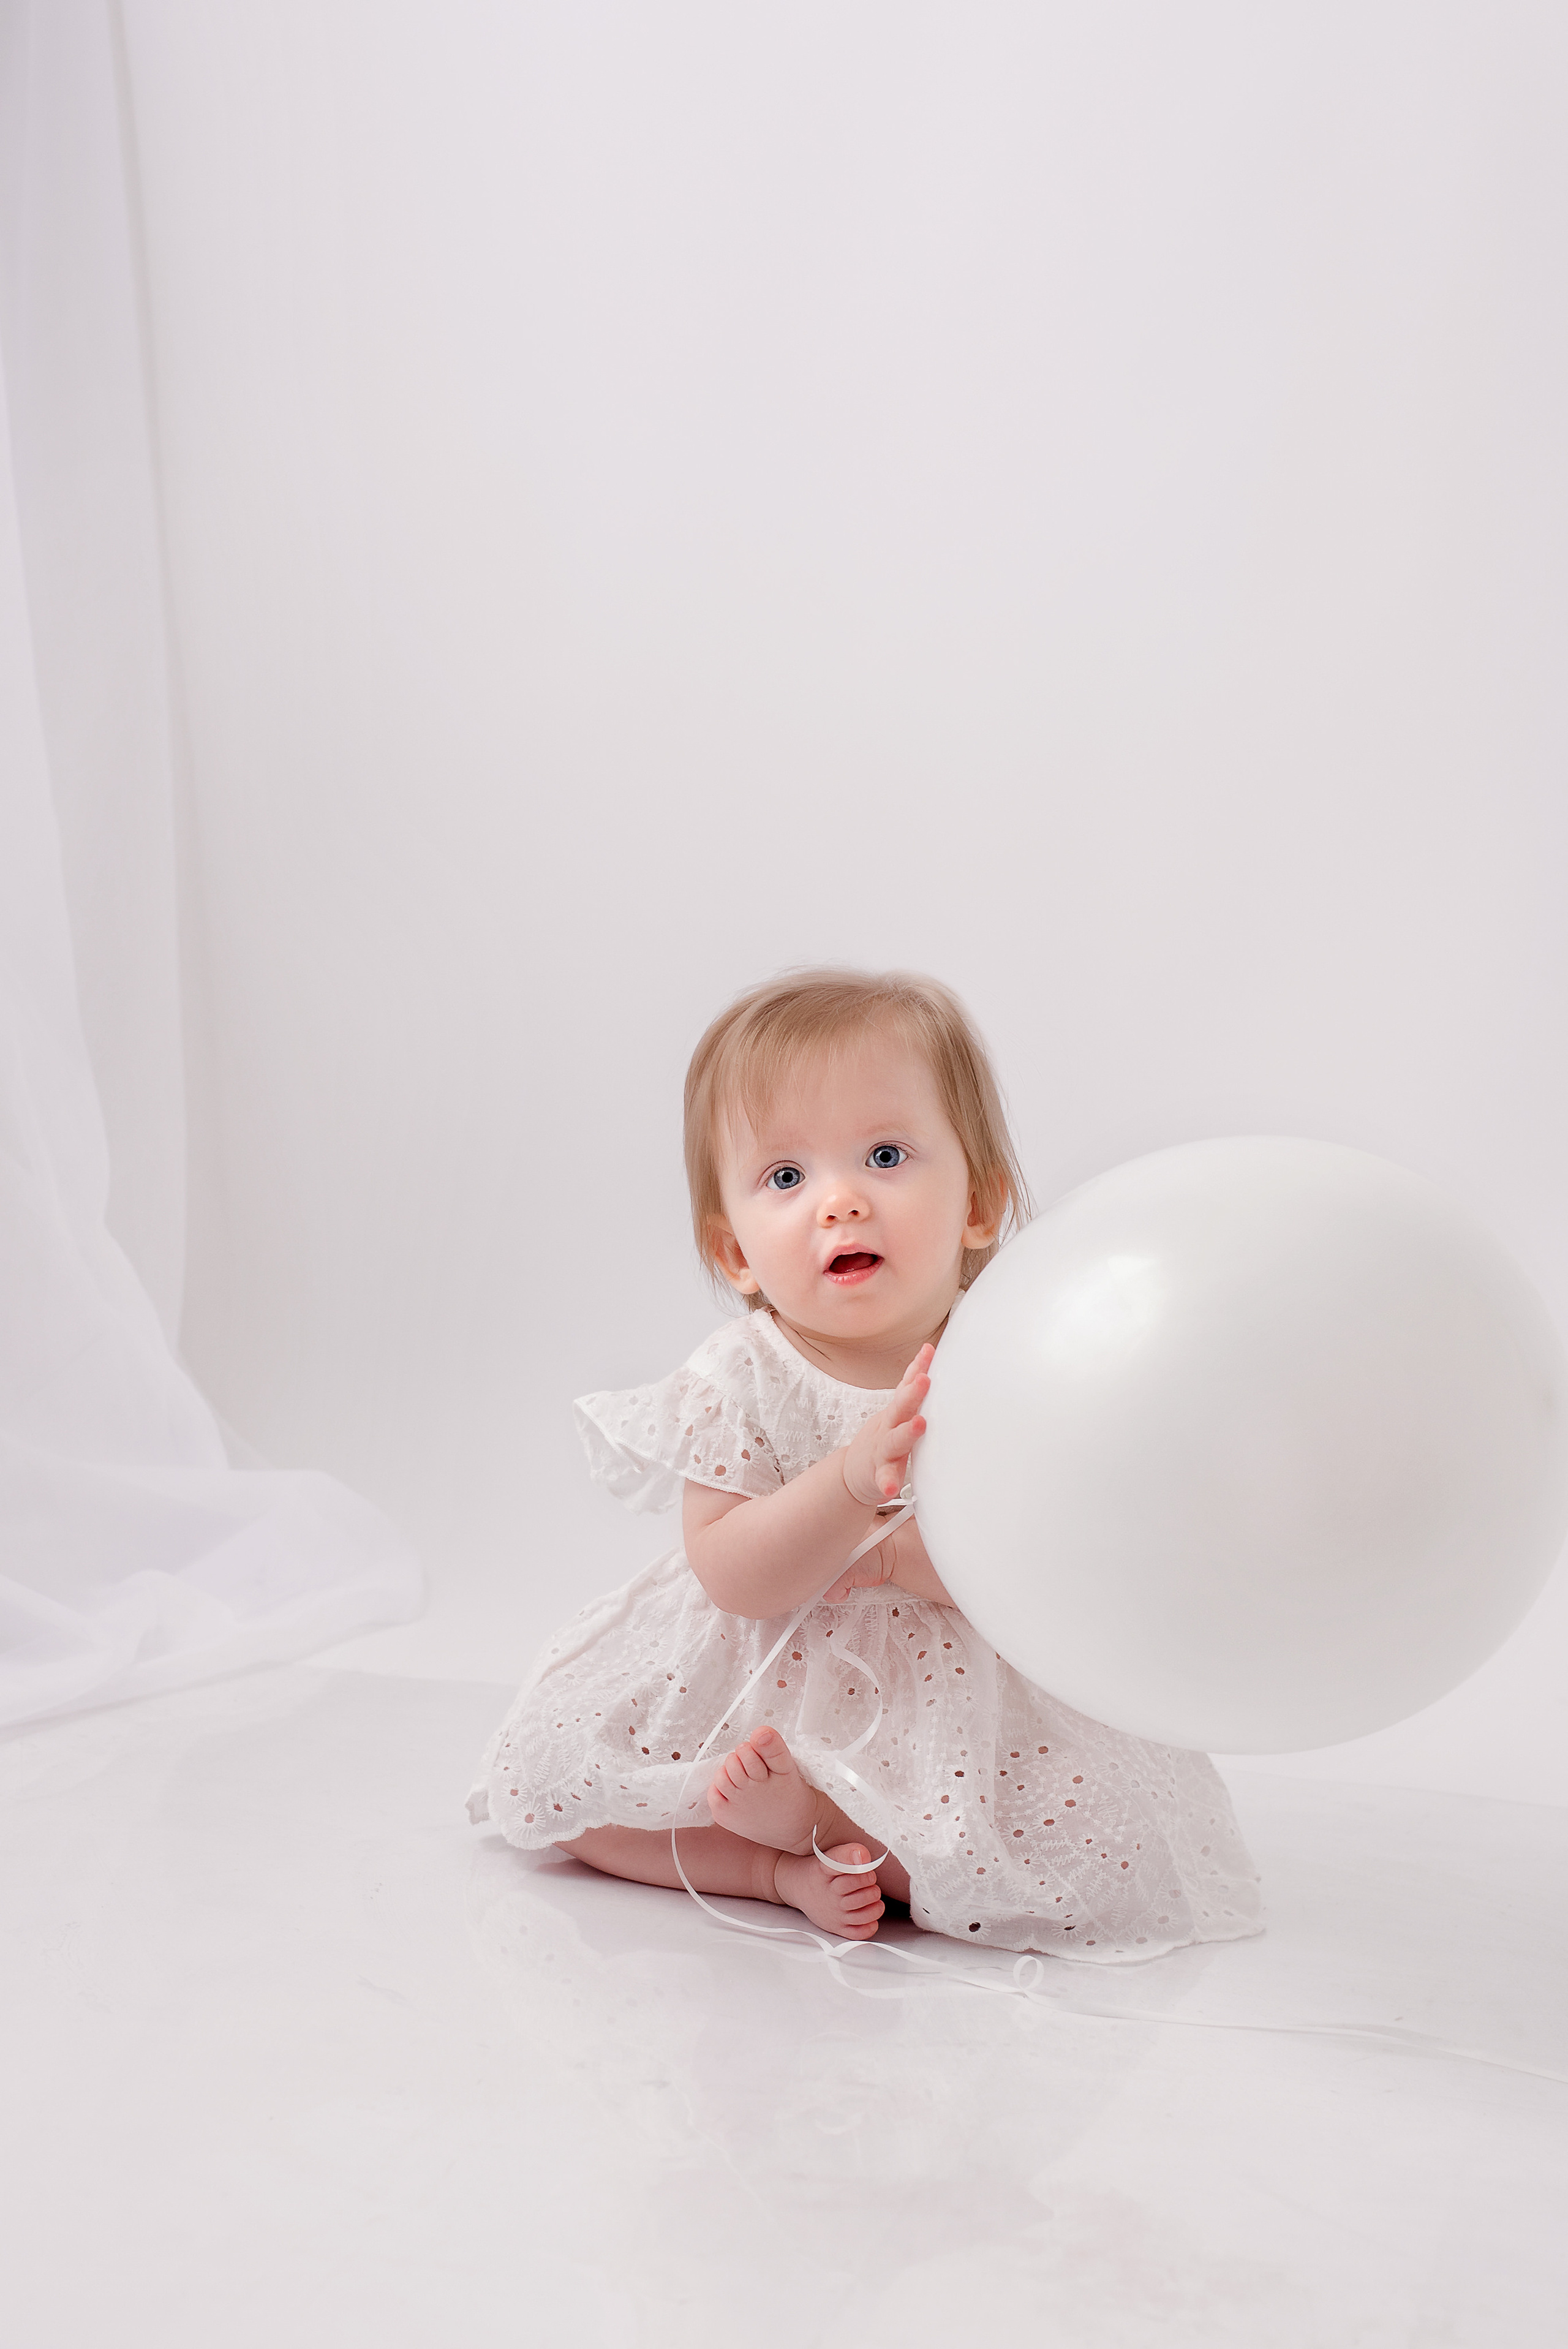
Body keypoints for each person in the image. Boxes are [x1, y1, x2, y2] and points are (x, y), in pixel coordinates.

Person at [468, 969, 1262, 1959]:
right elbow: (731, 1576)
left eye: (885, 1157)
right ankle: (774, 1865)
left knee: (1101, 1849)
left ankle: (843, 1832)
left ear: (978, 1205)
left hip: (959, 1694)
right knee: (557, 1786)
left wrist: (896, 1561)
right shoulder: (740, 1375)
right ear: (736, 1255)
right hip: (762, 1679)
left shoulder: (1008, 1359)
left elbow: (1041, 1568)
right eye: (787, 1178)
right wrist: (847, 1487)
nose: (839, 1202)